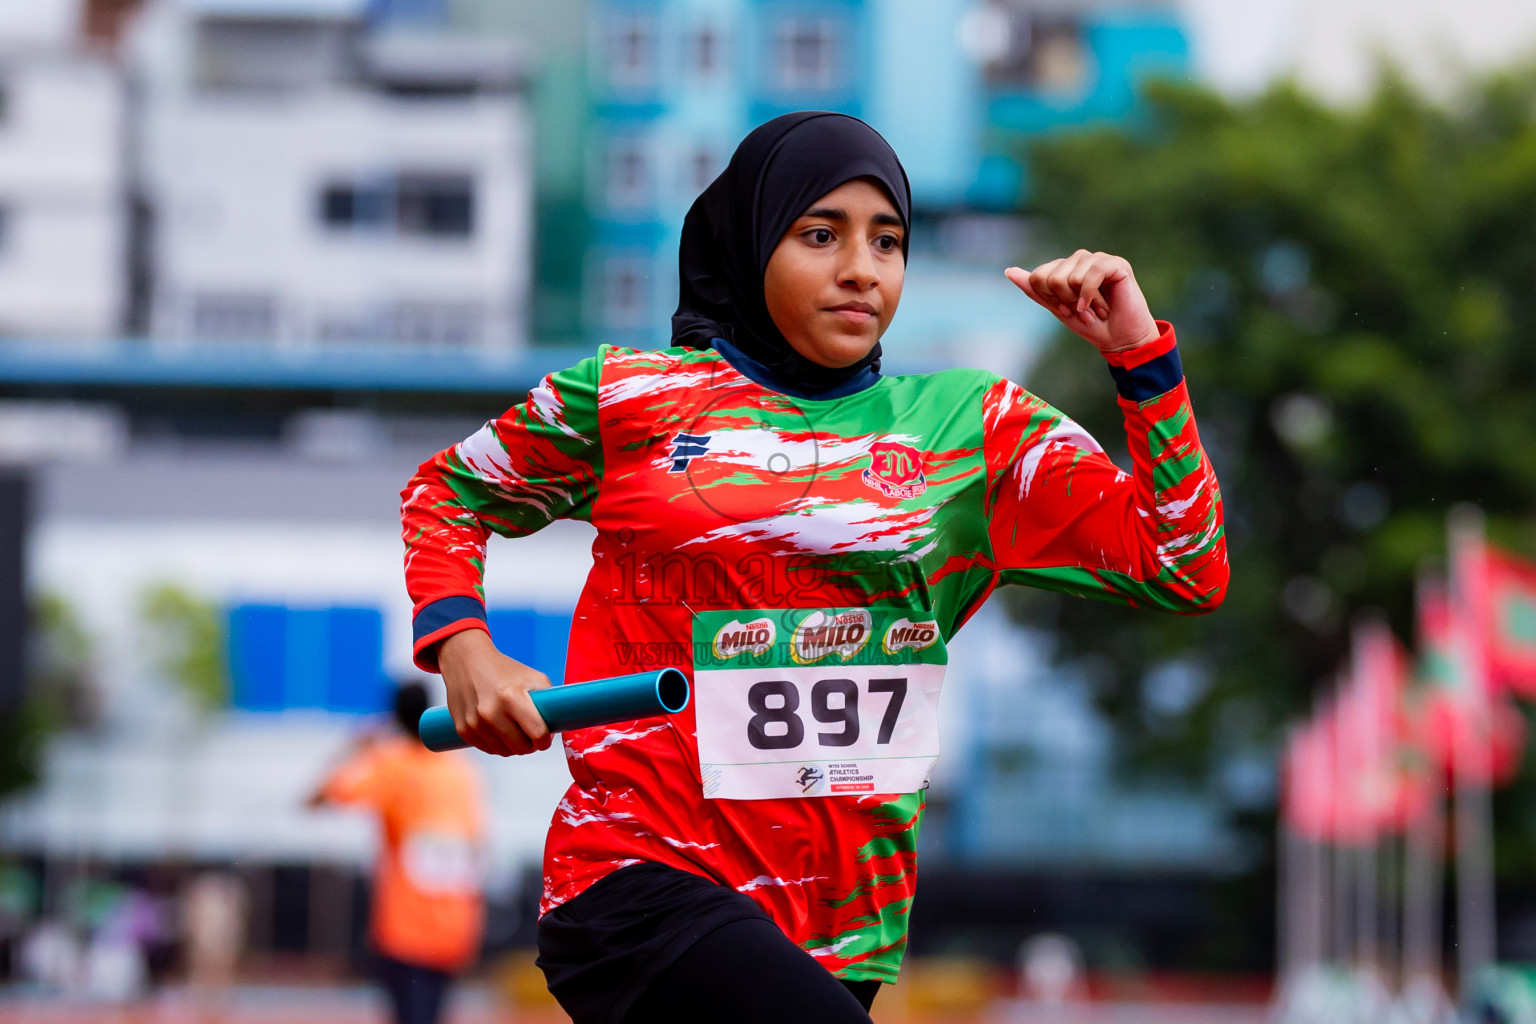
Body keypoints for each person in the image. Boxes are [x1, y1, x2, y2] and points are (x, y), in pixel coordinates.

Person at [400, 111, 1228, 1024]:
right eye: (820, 235)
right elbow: (449, 493)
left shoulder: (977, 429)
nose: (860, 269)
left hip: (846, 927)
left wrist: (1138, 359)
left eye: (889, 241)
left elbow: (1182, 563)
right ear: (752, 240)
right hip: (638, 882)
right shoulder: (631, 396)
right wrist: (462, 647)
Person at [308, 681, 485, 1024]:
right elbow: (475, 849)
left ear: (394, 717)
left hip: (405, 929)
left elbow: (320, 798)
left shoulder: (393, 766)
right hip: (455, 927)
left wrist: (355, 748)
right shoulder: (459, 772)